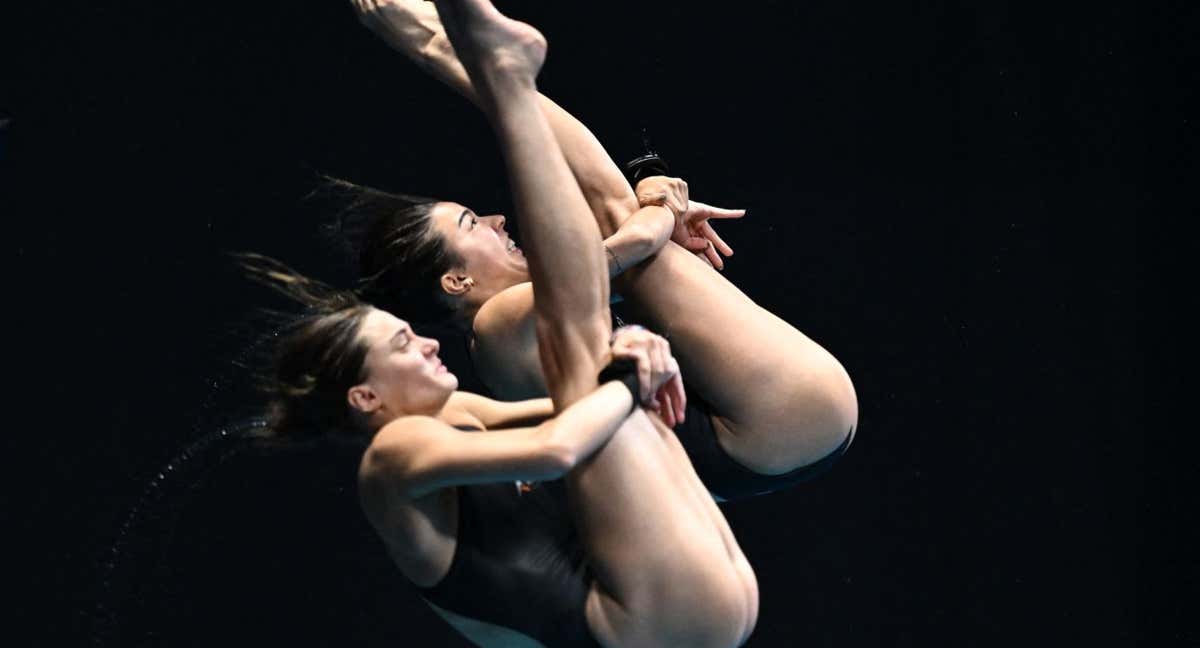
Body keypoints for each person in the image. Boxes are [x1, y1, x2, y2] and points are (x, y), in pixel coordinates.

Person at [248, 2, 758, 646]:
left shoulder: (453, 413)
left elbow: (571, 415)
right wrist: (625, 373)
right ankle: (501, 76)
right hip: (648, 626)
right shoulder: (392, 455)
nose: (430, 342)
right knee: (577, 339)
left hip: (681, 616)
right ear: (366, 397)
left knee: (589, 350)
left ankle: (491, 68)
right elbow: (557, 448)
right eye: (403, 344)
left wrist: (627, 360)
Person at [344, 0, 858, 502]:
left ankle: (457, 48)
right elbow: (622, 247)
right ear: (456, 282)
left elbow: (616, 260)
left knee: (618, 228)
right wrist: (657, 196)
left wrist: (658, 218)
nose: (497, 220)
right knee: (613, 211)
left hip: (771, 438)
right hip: (771, 427)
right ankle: (452, 49)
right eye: (471, 224)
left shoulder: (511, 337)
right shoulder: (495, 322)